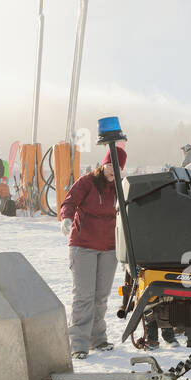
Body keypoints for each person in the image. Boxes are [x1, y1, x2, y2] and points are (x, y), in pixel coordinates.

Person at [59, 147, 124, 358]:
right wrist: (66, 218)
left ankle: (99, 339)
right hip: (83, 245)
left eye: (118, 167)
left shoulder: (121, 188)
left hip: (109, 247)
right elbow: (69, 201)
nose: (113, 170)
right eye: (110, 165)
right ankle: (78, 344)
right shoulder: (87, 181)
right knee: (84, 296)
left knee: (101, 297)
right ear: (103, 163)